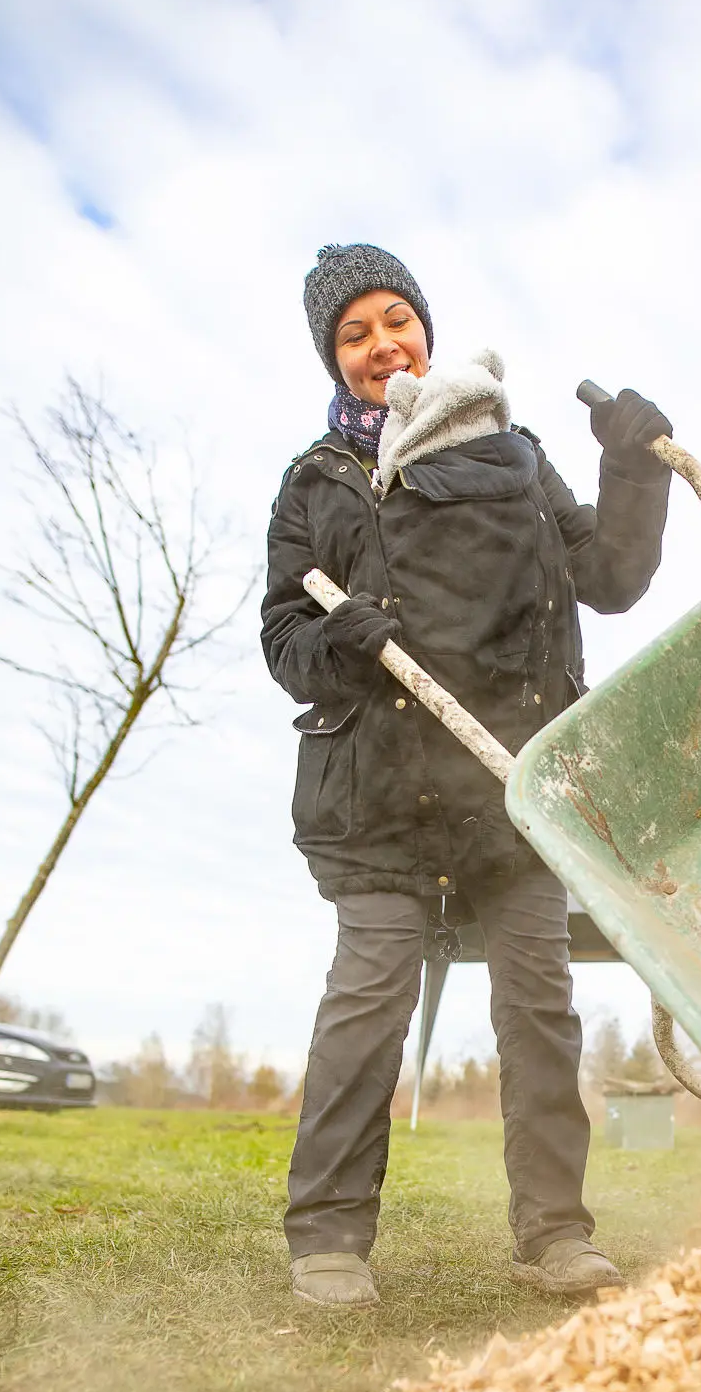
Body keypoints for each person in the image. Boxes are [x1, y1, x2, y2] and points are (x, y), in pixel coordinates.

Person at [261, 242, 673, 1309]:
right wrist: (340, 635)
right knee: (369, 999)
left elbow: (613, 578)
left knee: (539, 1004)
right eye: (352, 334)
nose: (378, 345)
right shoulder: (322, 479)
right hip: (384, 787)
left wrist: (632, 467)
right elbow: (282, 637)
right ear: (333, 358)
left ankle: (555, 1232)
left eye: (393, 320)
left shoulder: (521, 457)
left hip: (511, 783)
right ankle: (331, 1237)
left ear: (426, 331)